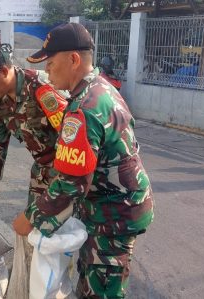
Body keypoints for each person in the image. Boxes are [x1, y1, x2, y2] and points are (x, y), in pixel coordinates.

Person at [14, 23, 154, 298]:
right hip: (114, 207)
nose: (47, 72)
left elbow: (71, 183)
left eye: (51, 64)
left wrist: (31, 217)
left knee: (101, 291)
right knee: (90, 281)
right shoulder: (101, 88)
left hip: (113, 214)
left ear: (73, 60)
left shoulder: (83, 109)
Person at [0, 42, 67, 211]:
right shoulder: (1, 101)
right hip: (42, 171)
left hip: (68, 172)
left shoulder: (42, 87)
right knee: (35, 227)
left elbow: (71, 134)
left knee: (67, 230)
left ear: (5, 71)